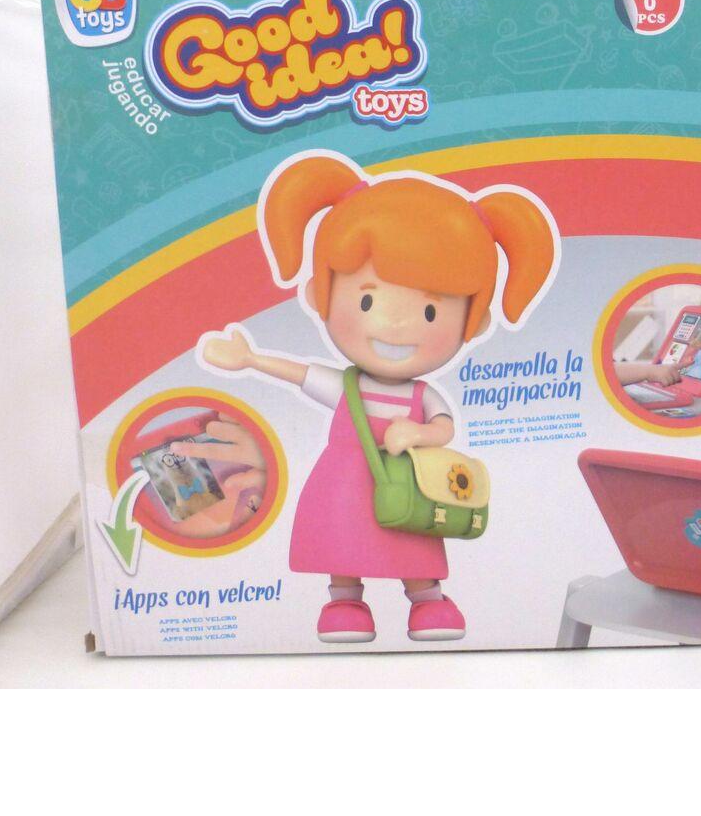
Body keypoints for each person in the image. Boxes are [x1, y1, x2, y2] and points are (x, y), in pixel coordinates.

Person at [199, 153, 557, 643]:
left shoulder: (424, 393)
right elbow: (302, 374)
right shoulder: (348, 386)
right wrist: (251, 359)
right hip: (346, 484)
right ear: (318, 295)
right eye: (367, 300)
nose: (394, 325)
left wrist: (420, 433)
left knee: (414, 541)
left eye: (430, 312)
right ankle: (345, 600)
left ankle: (427, 600)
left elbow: (445, 427)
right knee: (342, 540)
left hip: (410, 483)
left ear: (475, 324)